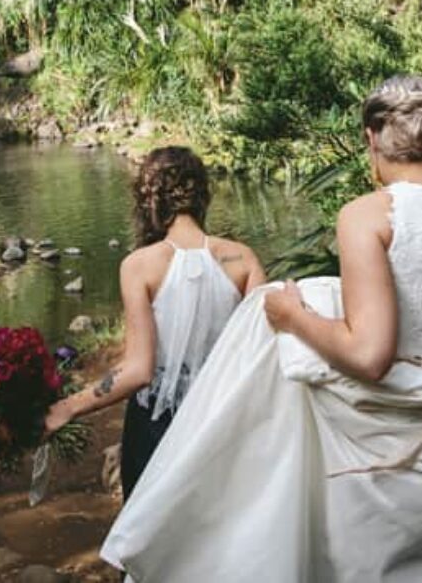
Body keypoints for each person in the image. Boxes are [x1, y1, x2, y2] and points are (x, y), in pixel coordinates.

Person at [101, 75, 422, 582]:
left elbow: (369, 355)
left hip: (387, 474)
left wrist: (292, 315)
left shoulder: (367, 216)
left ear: (372, 138)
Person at [43, 146, 266, 495]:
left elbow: (138, 370)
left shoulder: (139, 265)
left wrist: (70, 406)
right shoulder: (243, 258)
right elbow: (260, 355)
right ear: (202, 196)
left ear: (150, 201)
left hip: (158, 428)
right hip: (225, 419)